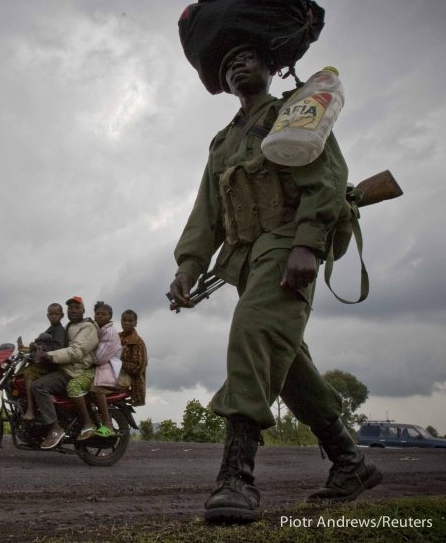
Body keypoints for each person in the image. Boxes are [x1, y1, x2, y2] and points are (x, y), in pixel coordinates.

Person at [168, 44, 382, 523]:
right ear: (221, 82)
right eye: (227, 62)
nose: (237, 64)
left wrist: (308, 243)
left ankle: (236, 478)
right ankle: (351, 462)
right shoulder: (222, 142)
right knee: (287, 367)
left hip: (288, 246)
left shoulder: (294, 112)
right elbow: (207, 213)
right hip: (245, 260)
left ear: (270, 67)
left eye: (247, 57)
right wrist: (187, 267)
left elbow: (326, 179)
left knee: (253, 333)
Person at [31, 296, 98, 449]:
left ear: (83, 310)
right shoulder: (69, 327)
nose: (73, 310)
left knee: (38, 386)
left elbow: (76, 352)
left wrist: (49, 356)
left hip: (73, 371)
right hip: (64, 368)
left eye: (77, 307)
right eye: (70, 308)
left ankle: (55, 429)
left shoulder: (88, 327)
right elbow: (55, 344)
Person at [17, 303, 68, 421]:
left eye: (56, 314)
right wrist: (30, 347)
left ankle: (31, 409)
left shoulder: (59, 330)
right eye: (51, 314)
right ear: (47, 315)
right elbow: (43, 344)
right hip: (46, 362)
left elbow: (57, 348)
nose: (54, 316)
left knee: (29, 373)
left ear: (62, 315)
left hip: (51, 364)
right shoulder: (50, 329)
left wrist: (40, 349)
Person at [88, 301, 123, 437]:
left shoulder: (109, 332)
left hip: (108, 366)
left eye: (104, 314)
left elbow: (99, 358)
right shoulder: (100, 329)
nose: (100, 316)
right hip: (102, 365)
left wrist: (87, 355)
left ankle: (108, 425)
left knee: (97, 389)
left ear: (110, 316)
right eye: (97, 314)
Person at [115, 309, 147, 407]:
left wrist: (117, 362)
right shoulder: (117, 336)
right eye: (124, 320)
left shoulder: (138, 342)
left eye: (130, 321)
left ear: (135, 323)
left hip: (129, 378)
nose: (126, 323)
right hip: (115, 372)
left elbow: (138, 367)